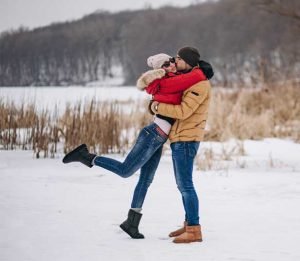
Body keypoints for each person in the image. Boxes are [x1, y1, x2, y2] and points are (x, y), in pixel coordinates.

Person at [62, 52, 208, 239]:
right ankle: (86, 157)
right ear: (158, 70)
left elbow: (184, 83)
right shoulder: (164, 81)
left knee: (146, 180)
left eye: (171, 60)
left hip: (159, 138)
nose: (171, 64)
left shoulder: (174, 78)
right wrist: (200, 73)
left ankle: (132, 222)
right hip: (153, 134)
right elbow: (177, 92)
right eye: (165, 64)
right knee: (125, 171)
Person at [149, 46, 212, 243]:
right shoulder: (189, 81)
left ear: (187, 60)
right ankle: (188, 224)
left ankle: (194, 230)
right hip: (181, 138)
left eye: (178, 58)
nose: (175, 62)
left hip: (187, 139)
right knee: (182, 184)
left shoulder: (200, 85)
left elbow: (184, 111)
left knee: (186, 185)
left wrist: (157, 107)